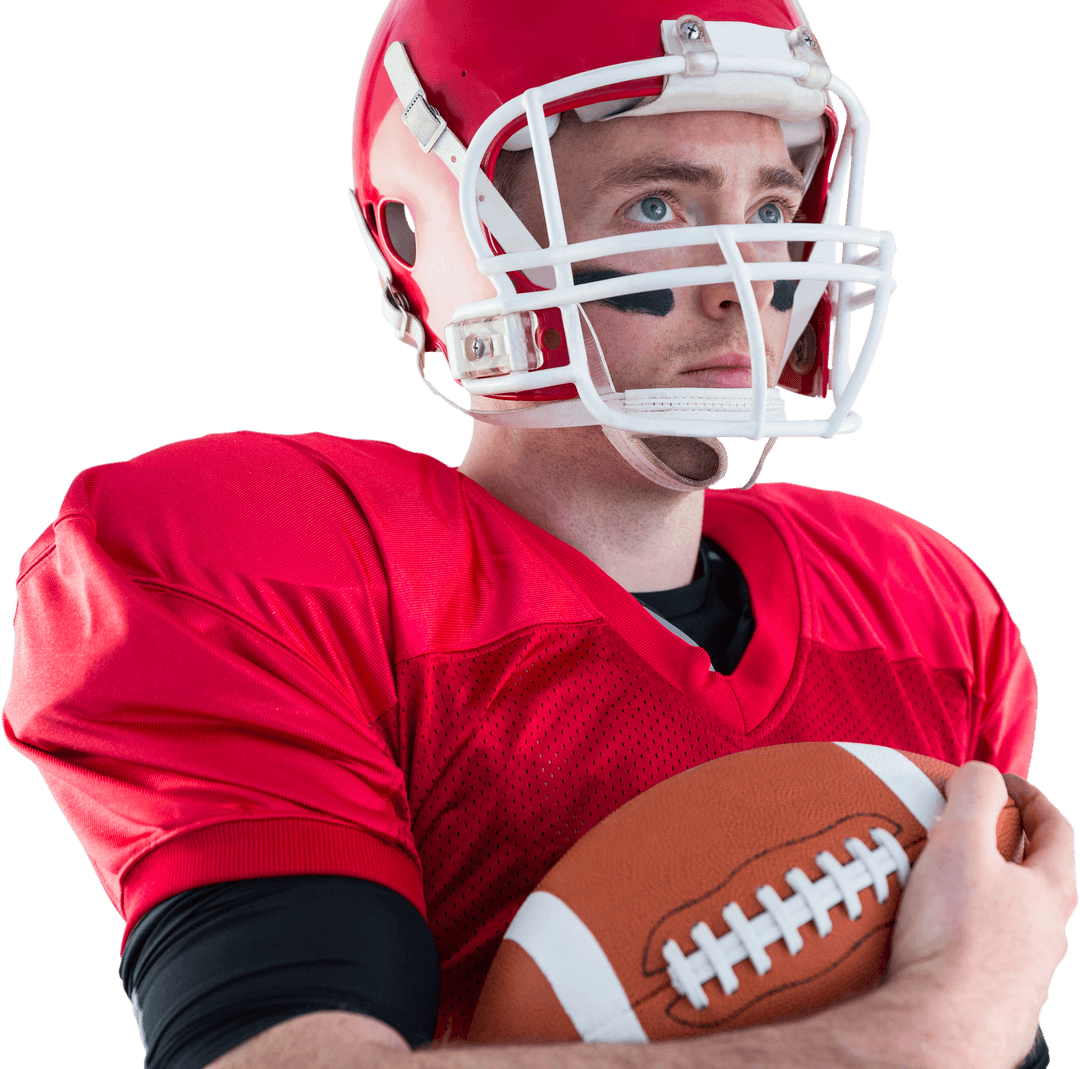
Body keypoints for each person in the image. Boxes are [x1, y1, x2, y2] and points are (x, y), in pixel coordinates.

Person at [2, 1, 1075, 1068]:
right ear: (441, 238)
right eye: (659, 206)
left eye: (773, 206)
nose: (741, 283)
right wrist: (908, 1041)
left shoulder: (919, 612)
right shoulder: (278, 569)